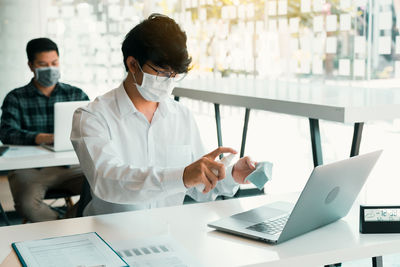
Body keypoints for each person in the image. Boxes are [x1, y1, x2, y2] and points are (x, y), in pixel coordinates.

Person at [71, 14, 256, 216]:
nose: (170, 80)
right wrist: (182, 176)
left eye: (175, 74)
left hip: (168, 231)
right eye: (162, 72)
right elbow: (107, 180)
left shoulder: (181, 116)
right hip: (111, 232)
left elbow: (198, 186)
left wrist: (231, 174)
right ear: (133, 65)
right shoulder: (92, 117)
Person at [0, 38, 89, 222]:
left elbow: (92, 128)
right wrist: (41, 137)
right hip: (31, 168)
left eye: (54, 63)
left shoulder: (75, 94)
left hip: (72, 165)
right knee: (27, 204)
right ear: (31, 66)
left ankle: (67, 225)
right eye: (43, 64)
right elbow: (7, 133)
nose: (50, 68)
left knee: (102, 189)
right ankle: (64, 226)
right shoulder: (16, 98)